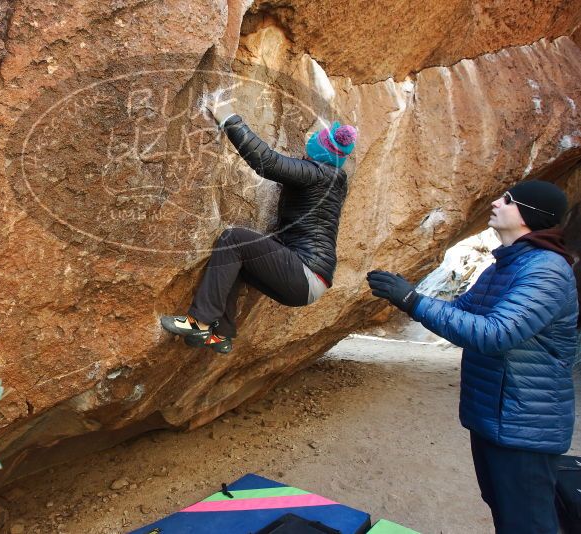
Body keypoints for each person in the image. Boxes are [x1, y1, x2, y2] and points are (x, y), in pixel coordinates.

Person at [368, 180, 579, 533]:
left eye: (508, 200)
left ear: (530, 214)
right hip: (494, 417)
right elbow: (461, 312)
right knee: (505, 509)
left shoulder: (545, 270)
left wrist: (412, 301)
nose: (496, 202)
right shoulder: (502, 267)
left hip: (523, 426)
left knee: (528, 523)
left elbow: (496, 333)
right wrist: (407, 295)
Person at [160, 99, 357, 353]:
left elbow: (267, 162)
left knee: (234, 239)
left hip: (304, 273)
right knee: (236, 262)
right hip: (309, 280)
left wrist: (229, 119)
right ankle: (221, 334)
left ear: (320, 151)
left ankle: (198, 323)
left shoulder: (317, 174)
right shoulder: (333, 181)